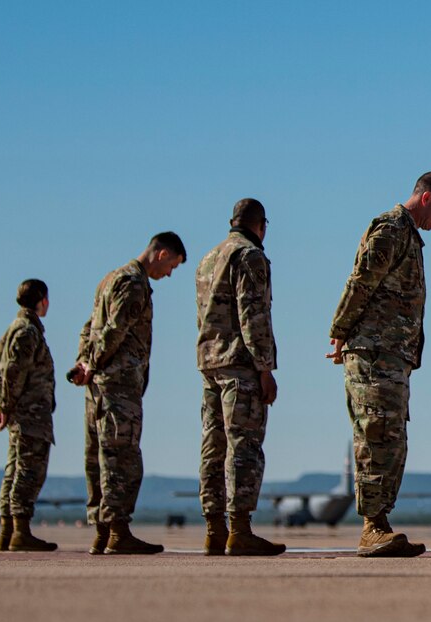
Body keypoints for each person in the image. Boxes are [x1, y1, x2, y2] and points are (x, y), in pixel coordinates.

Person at [329, 172, 431, 557]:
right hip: (373, 352)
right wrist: (340, 331)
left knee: (391, 438)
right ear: (426, 198)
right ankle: (372, 528)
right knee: (376, 434)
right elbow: (361, 282)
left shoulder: (409, 236)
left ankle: (380, 523)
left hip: (391, 355)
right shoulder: (391, 228)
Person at [70, 233, 186, 555]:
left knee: (99, 457)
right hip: (118, 384)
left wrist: (83, 362)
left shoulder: (109, 279)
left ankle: (102, 532)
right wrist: (91, 363)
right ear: (161, 254)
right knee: (123, 459)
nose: (170, 274)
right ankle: (118, 532)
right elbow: (114, 330)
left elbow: (89, 327)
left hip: (99, 386)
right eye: (172, 266)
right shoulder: (134, 283)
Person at [194, 199, 284, 556]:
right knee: (244, 446)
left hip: (210, 363)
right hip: (239, 364)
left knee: (213, 447)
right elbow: (253, 315)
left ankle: (214, 529)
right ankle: (240, 528)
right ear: (261, 225)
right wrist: (265, 368)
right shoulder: (249, 257)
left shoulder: (208, 259)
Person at [0, 278, 58, 552]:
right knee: (28, 472)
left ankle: (9, 531)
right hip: (30, 415)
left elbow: (4, 373)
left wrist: (4, 405)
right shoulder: (26, 332)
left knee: (15, 470)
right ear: (42, 299)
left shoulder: (17, 329)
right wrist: (7, 405)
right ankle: (19, 530)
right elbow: (12, 373)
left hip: (24, 413)